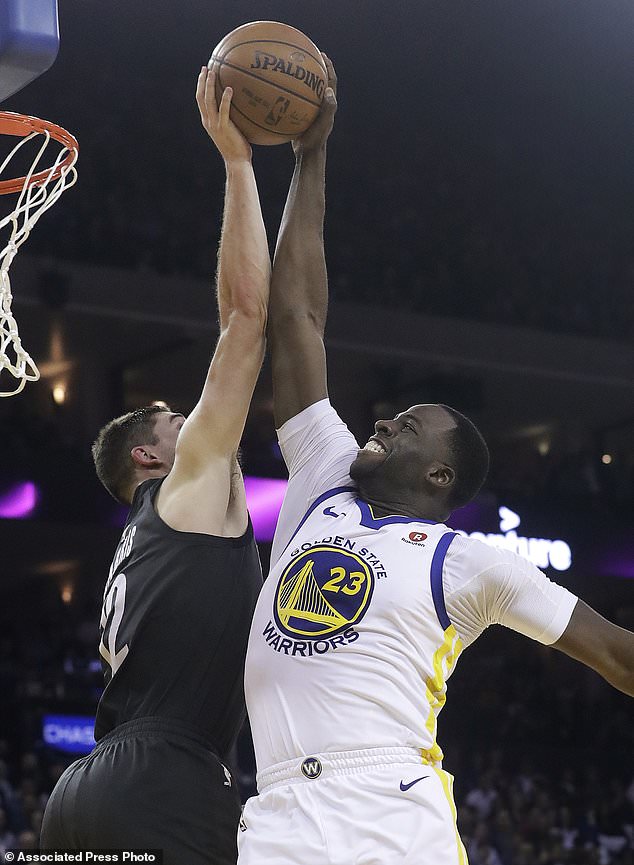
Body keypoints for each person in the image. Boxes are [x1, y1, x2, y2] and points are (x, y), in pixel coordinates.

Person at [238, 55, 634, 865]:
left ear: (440, 476)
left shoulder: (472, 564)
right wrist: (311, 155)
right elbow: (299, 315)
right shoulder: (323, 479)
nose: (383, 418)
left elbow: (618, 654)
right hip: (276, 809)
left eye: (410, 425)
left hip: (389, 810)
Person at [41, 66, 269, 865]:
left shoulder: (136, 549)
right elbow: (246, 319)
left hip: (83, 792)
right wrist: (238, 163)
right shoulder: (185, 491)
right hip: (164, 781)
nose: (195, 418)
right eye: (177, 418)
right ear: (149, 454)